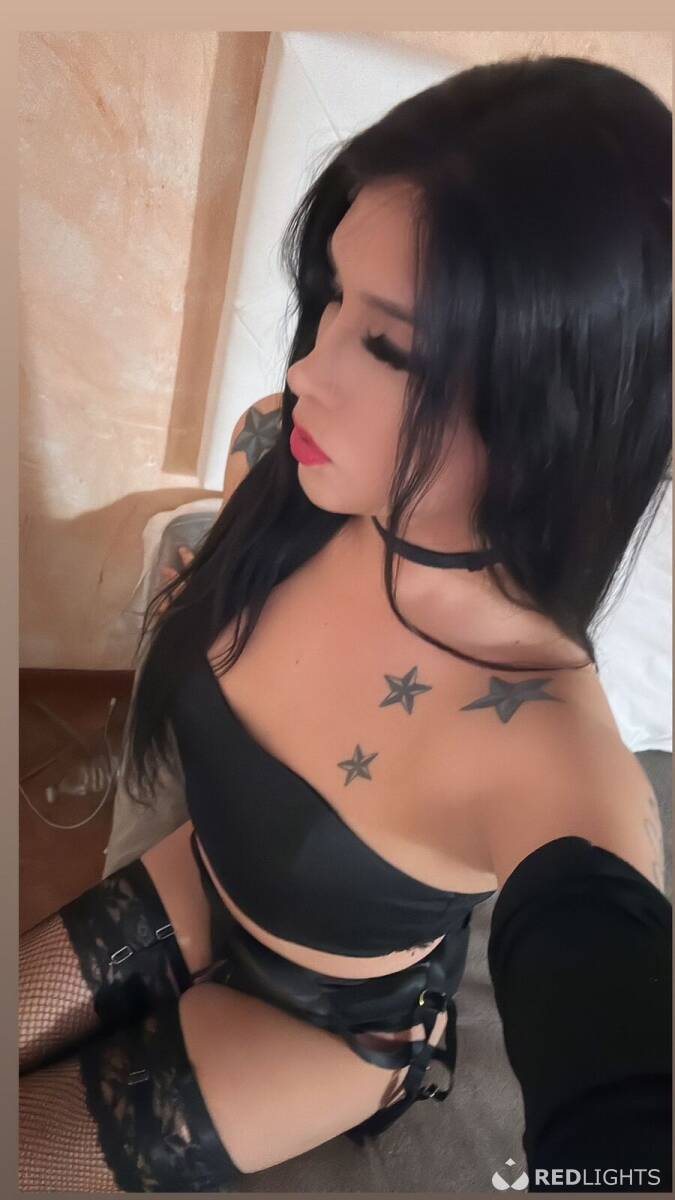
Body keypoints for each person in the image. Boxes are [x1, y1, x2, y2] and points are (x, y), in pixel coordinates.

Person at [19, 53, 672, 1192]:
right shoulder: (282, 461)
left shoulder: (555, 762)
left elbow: (625, 1088)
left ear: (549, 406)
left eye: (386, 344)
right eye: (328, 298)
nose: (305, 374)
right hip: (200, 879)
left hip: (324, 1027)